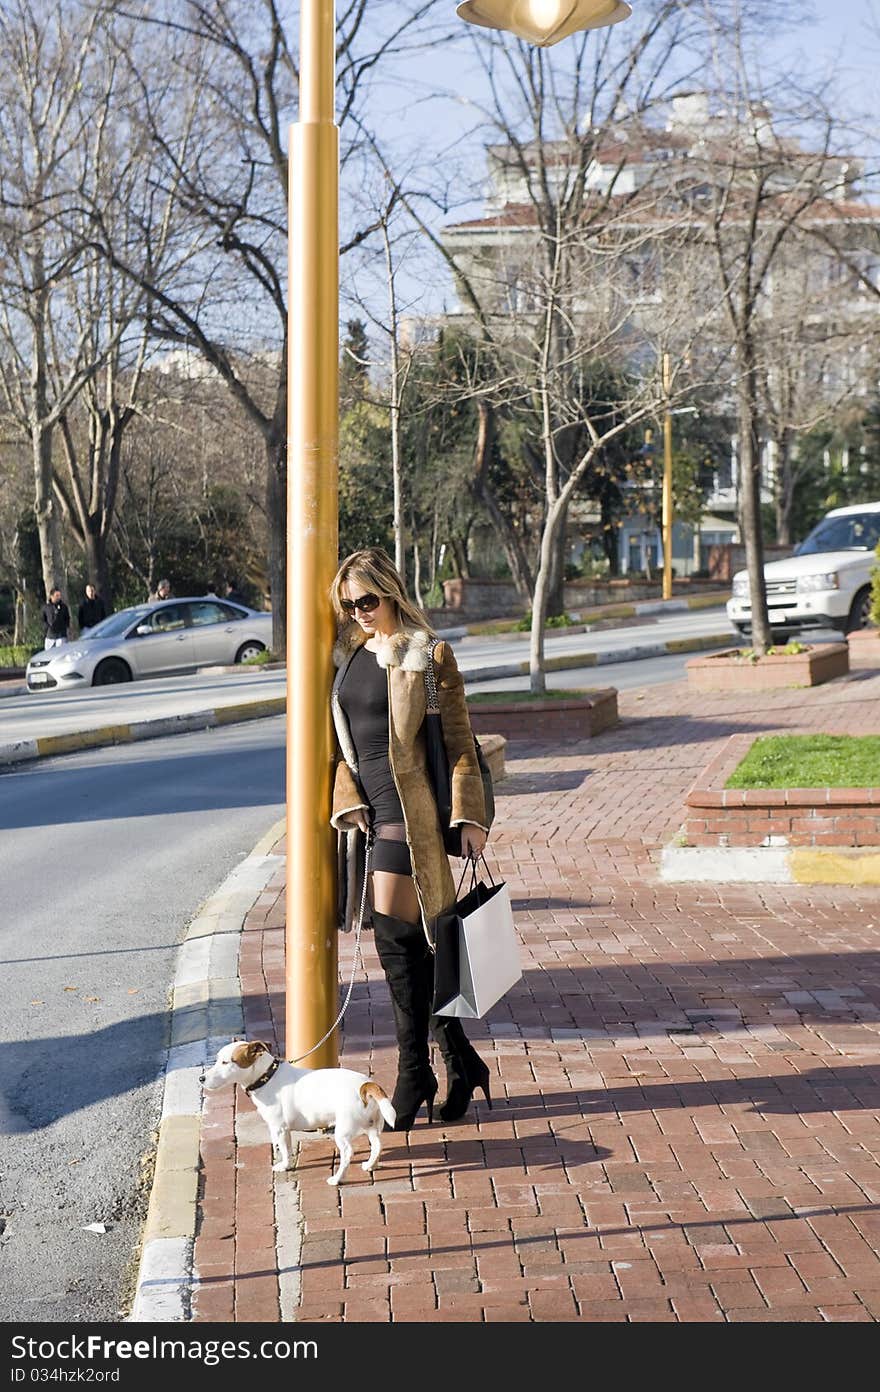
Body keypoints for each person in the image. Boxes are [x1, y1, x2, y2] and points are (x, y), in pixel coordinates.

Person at [329, 547, 491, 1131]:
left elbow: (460, 741)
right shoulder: (346, 655)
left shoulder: (429, 657)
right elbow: (340, 749)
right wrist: (347, 801)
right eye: (349, 604)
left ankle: (412, 1071)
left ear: (391, 593)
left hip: (410, 810)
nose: (359, 612)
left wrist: (469, 816)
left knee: (399, 944)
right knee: (413, 946)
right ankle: (457, 1058)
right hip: (371, 812)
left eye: (367, 600)